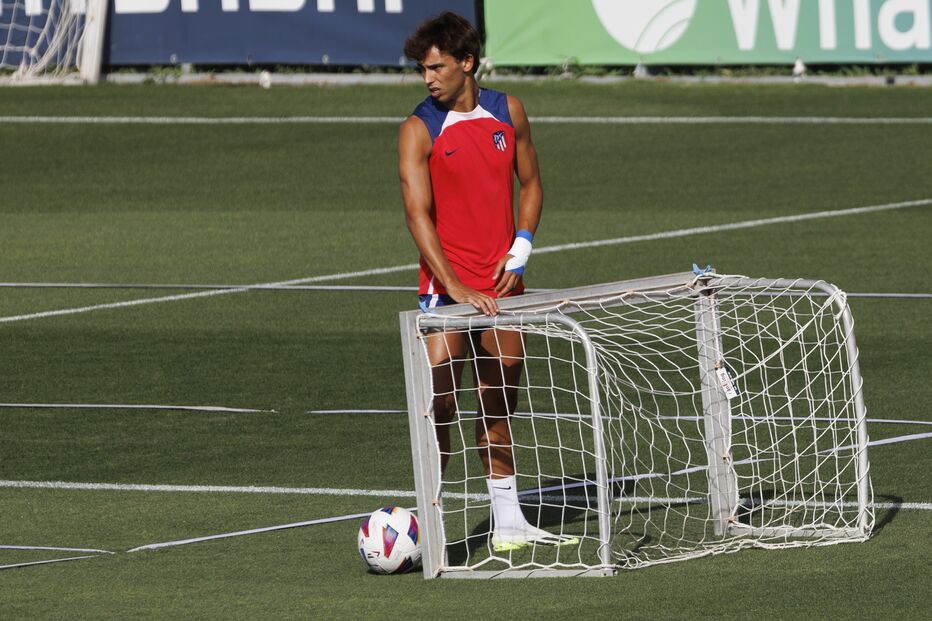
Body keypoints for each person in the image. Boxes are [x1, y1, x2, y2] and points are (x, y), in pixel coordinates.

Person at [398, 12, 577, 552]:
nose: (427, 79)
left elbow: (532, 183)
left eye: (436, 68)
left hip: (502, 289)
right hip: (445, 291)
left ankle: (508, 522)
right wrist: (452, 286)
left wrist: (522, 245)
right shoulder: (417, 129)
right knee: (441, 402)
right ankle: (431, 522)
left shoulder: (508, 112)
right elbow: (417, 216)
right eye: (422, 70)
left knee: (499, 398)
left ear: (467, 63)